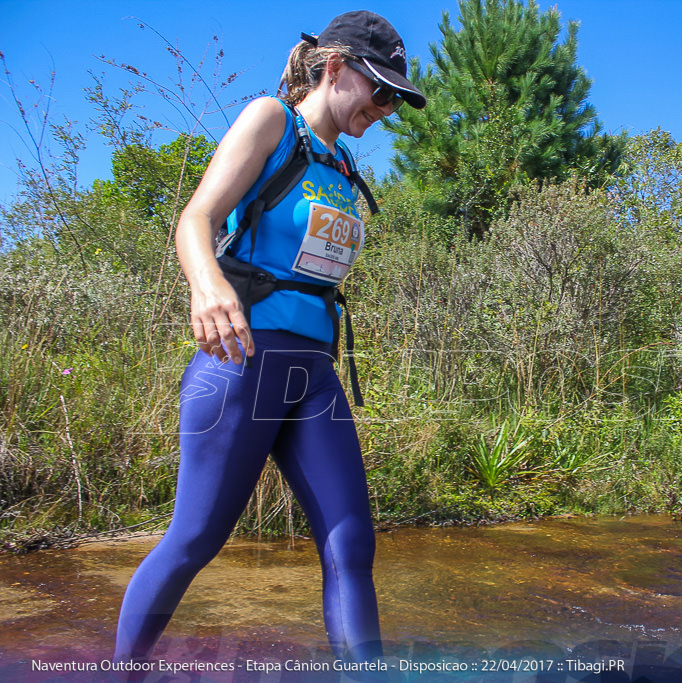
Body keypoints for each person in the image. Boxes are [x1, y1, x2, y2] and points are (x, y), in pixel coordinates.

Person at [114, 10, 426, 665]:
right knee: (197, 536)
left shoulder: (340, 162)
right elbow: (195, 218)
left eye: (397, 97)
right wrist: (207, 286)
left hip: (312, 372)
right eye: (381, 89)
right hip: (244, 360)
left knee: (351, 545)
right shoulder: (270, 121)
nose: (387, 107)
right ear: (334, 67)